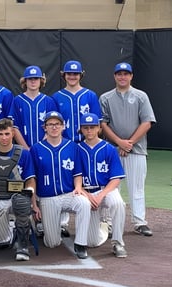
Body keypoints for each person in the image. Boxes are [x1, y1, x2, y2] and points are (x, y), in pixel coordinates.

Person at [99, 62, 156, 237]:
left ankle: (139, 222)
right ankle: (107, 223)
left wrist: (128, 143)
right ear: (114, 76)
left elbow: (147, 122)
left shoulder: (141, 96)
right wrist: (118, 142)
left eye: (126, 74)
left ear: (131, 76)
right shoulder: (106, 98)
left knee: (136, 187)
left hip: (136, 149)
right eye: (119, 74)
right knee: (111, 188)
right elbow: (103, 124)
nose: (122, 77)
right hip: (112, 151)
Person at [30, 111, 91, 259]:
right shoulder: (36, 148)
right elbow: (32, 179)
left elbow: (77, 173)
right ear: (45, 127)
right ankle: (46, 227)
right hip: (48, 198)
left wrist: (78, 187)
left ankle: (80, 244)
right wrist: (34, 204)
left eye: (57, 124)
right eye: (50, 124)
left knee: (84, 203)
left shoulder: (72, 147)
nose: (54, 127)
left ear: (63, 126)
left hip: (69, 193)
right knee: (52, 243)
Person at [52, 60, 102, 238]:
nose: (72, 76)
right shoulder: (57, 97)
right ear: (63, 75)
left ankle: (98, 218)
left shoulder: (90, 95)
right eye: (69, 73)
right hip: (64, 144)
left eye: (75, 73)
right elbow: (54, 122)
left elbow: (97, 121)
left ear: (81, 75)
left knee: (89, 180)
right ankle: (63, 222)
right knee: (65, 179)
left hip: (84, 143)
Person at [0, 118, 36, 261]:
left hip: (17, 197)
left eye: (7, 133)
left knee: (21, 201)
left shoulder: (24, 154)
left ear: (13, 133)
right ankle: (13, 234)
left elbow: (31, 180)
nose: (4, 137)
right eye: (0, 134)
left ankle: (23, 245)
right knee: (2, 242)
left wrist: (31, 196)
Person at [77, 113, 127, 258]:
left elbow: (116, 179)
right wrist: (87, 195)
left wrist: (101, 195)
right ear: (81, 129)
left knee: (118, 203)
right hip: (86, 193)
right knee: (92, 242)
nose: (89, 131)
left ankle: (118, 242)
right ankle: (103, 228)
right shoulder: (77, 149)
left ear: (99, 128)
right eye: (85, 128)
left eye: (92, 127)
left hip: (106, 190)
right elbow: (76, 179)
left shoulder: (109, 149)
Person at [9, 65, 58, 150]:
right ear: (25, 81)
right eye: (30, 79)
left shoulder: (48, 101)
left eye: (36, 78)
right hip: (23, 149)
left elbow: (53, 126)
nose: (33, 81)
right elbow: (14, 127)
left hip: (45, 148)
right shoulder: (17, 100)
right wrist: (26, 149)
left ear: (41, 80)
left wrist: (40, 148)